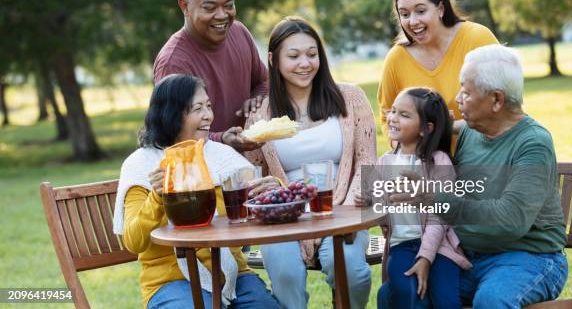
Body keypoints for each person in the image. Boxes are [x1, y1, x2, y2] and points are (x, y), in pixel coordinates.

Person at [387, 45, 568, 308]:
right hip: (468, 257)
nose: (458, 98)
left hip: (529, 257)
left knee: (491, 300)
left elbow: (510, 220)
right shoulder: (471, 130)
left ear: (496, 100)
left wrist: (433, 197)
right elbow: (426, 131)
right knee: (396, 293)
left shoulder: (533, 143)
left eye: (466, 92)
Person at [112, 74, 279, 309]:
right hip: (171, 280)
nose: (208, 115)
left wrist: (274, 192)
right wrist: (157, 197)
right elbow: (133, 241)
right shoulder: (141, 164)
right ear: (171, 114)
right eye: (197, 108)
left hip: (232, 275)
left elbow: (257, 209)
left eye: (208, 106)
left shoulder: (222, 156)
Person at [244, 16, 377, 309]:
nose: (305, 63)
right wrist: (266, 187)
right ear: (273, 59)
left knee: (352, 272)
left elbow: (368, 163)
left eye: (312, 54)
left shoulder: (351, 98)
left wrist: (344, 212)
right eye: (293, 56)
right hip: (282, 218)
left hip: (342, 208)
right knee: (286, 274)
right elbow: (250, 177)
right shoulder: (259, 115)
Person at [374, 88, 472, 309]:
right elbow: (380, 209)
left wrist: (425, 258)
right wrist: (369, 201)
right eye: (393, 111)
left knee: (446, 302)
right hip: (401, 246)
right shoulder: (384, 163)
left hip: (439, 248)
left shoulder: (439, 162)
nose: (393, 118)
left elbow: (441, 217)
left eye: (404, 115)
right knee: (407, 295)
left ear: (426, 129)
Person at [153, 0, 266, 152]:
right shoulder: (173, 62)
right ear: (185, 6)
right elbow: (175, 134)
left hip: (247, 165)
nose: (222, 15)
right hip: (202, 171)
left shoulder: (239, 33)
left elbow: (263, 81)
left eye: (229, 5)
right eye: (210, 8)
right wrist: (223, 138)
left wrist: (257, 99)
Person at [377, 0, 499, 136]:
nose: (412, 22)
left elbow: (501, 108)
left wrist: (444, 129)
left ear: (440, 8)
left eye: (420, 11)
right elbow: (387, 118)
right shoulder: (396, 59)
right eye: (404, 14)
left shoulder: (477, 38)